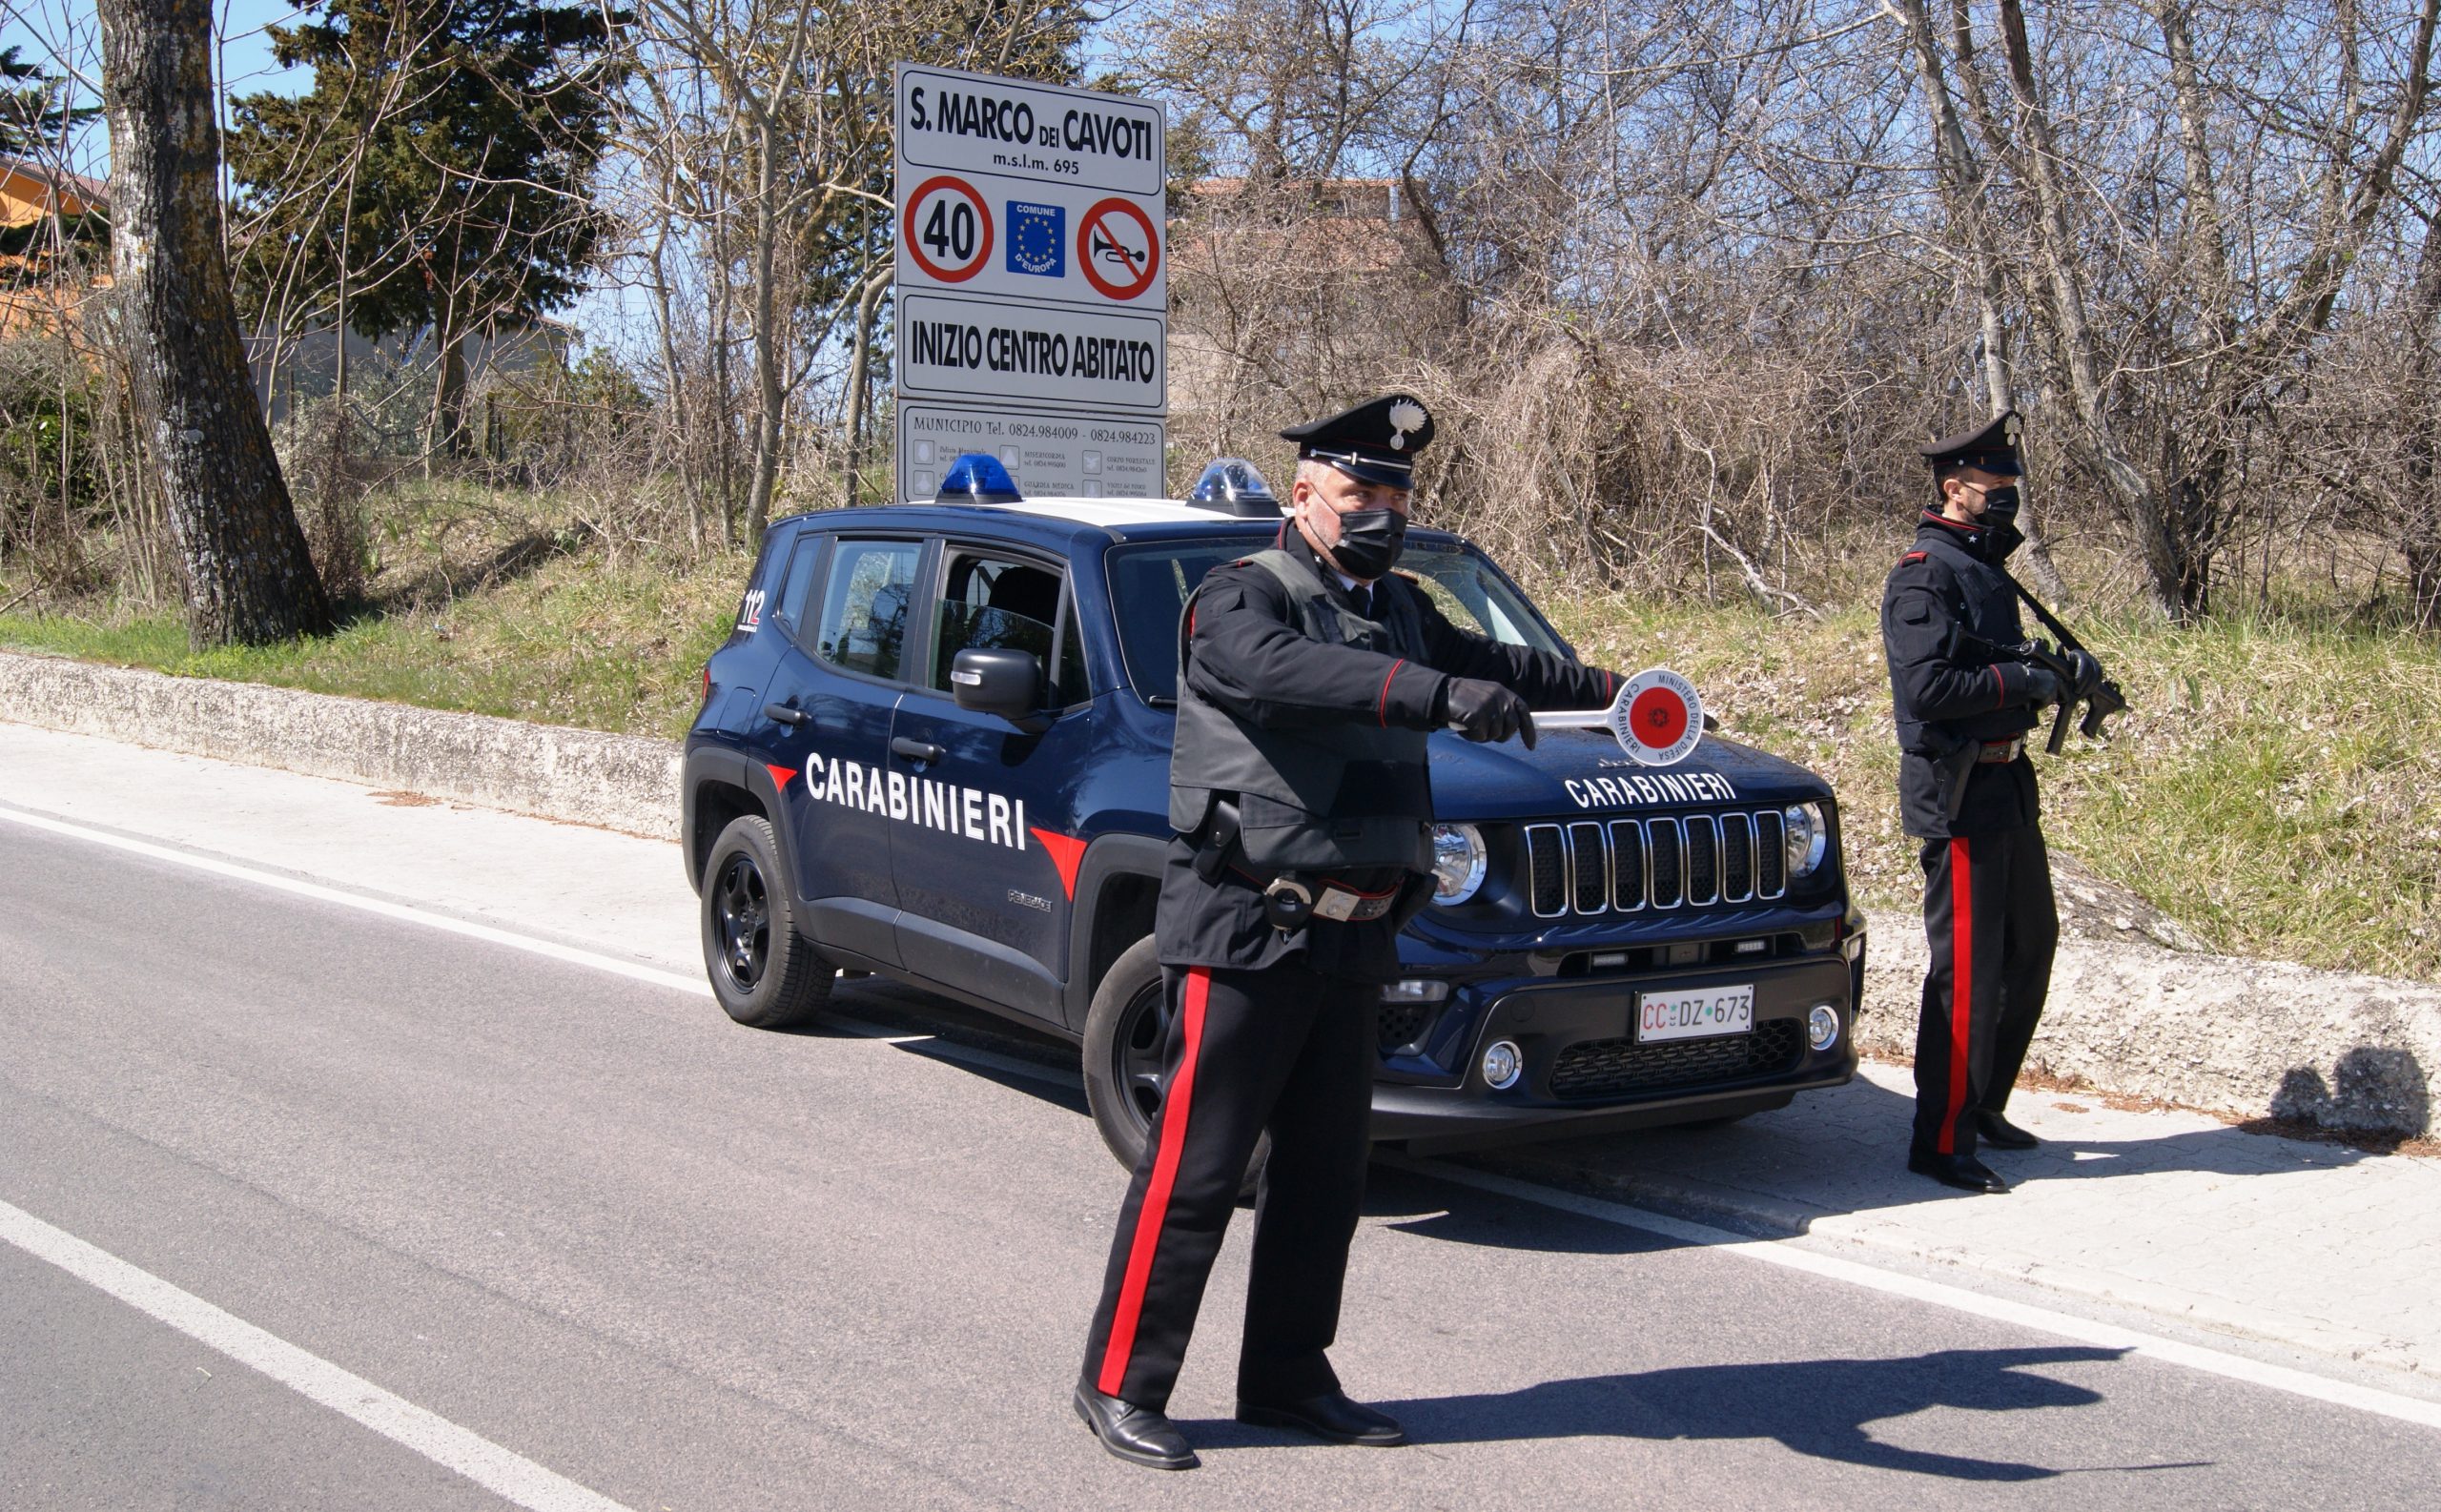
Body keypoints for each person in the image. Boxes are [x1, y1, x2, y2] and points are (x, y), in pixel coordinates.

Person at [1073, 395, 1624, 1469]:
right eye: (1359, 490)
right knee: (1196, 1166)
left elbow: (1500, 666)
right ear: (1305, 495)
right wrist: (1432, 696)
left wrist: (1621, 690)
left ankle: (1286, 1375)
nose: (1380, 508)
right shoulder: (1234, 598)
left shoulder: (1402, 608)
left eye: (1396, 491)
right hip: (1246, 920)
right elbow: (1286, 676)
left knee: (1327, 1175)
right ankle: (1119, 1381)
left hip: (1355, 930)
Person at [1880, 411, 2094, 1195]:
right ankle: (1940, 1140)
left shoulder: (1983, 564)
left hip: (2006, 785)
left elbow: (1994, 656)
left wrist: (2056, 669)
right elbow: (1928, 689)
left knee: (2029, 946)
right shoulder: (1924, 572)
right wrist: (2023, 683)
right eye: (1992, 483)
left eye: (2010, 482)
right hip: (1960, 792)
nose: (2005, 494)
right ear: (1953, 486)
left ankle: (1984, 1105)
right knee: (1965, 972)